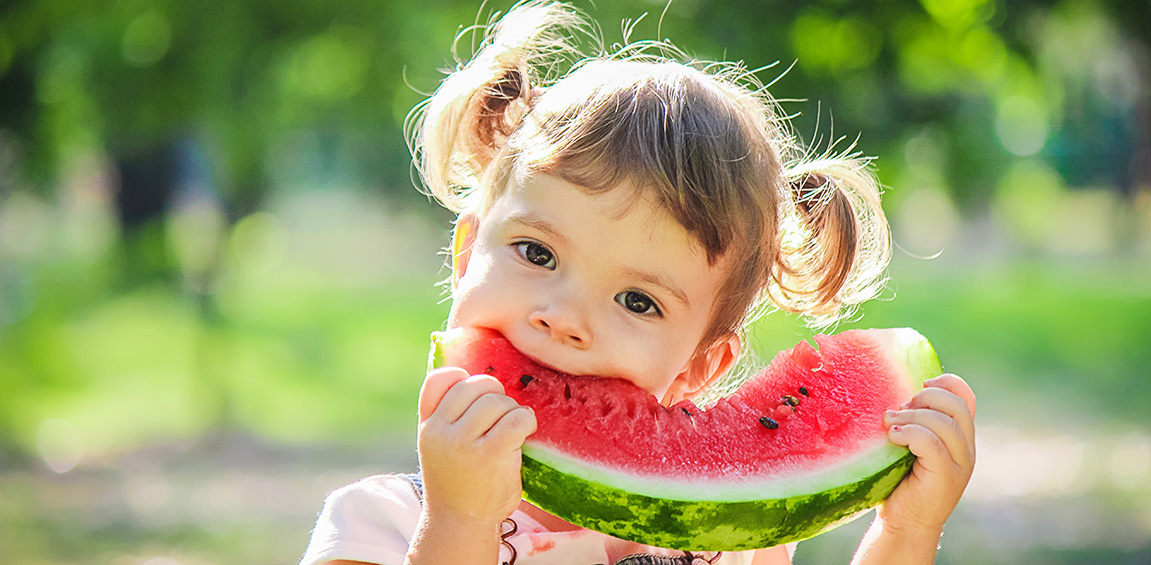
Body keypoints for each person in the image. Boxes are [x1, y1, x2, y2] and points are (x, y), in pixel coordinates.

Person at [300, 2, 976, 564]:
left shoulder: (728, 535)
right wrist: (458, 523)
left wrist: (905, 533)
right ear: (467, 252)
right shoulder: (375, 523)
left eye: (637, 300)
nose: (565, 317)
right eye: (537, 252)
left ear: (699, 365)